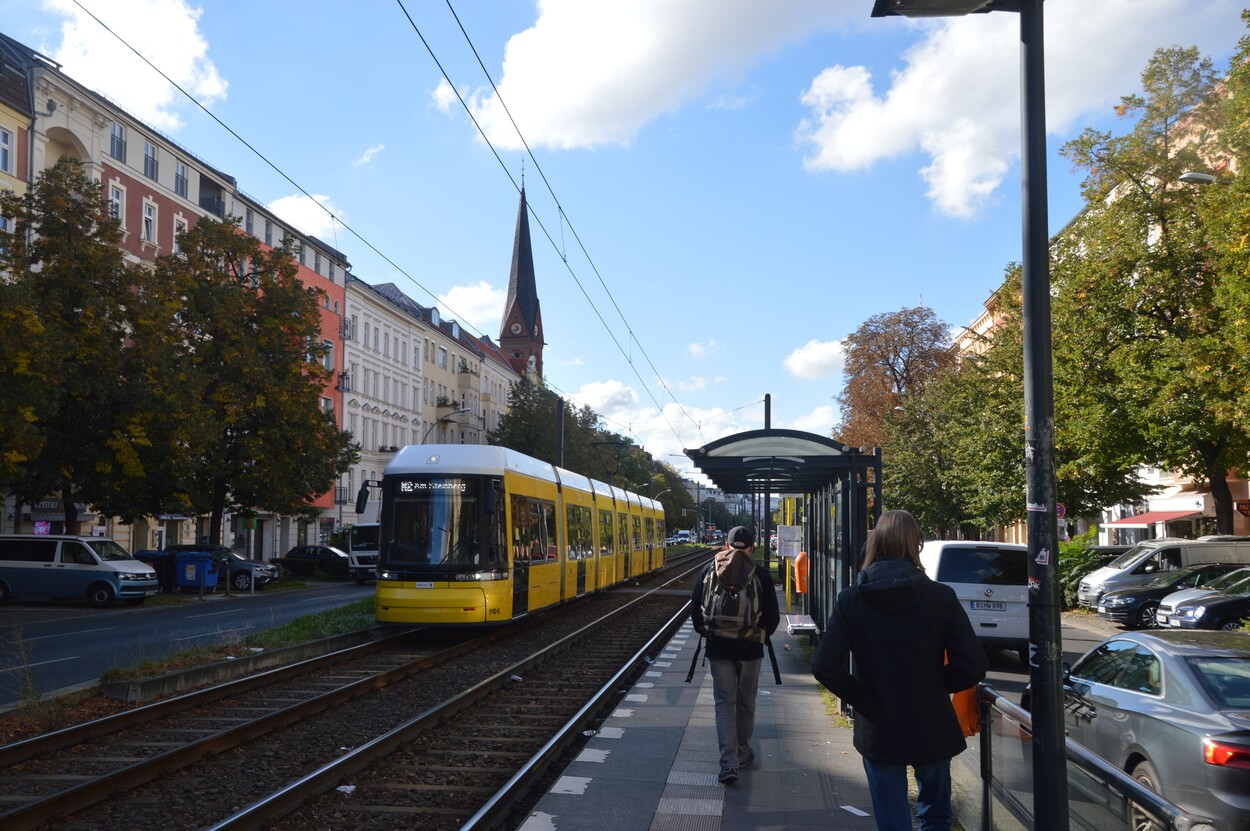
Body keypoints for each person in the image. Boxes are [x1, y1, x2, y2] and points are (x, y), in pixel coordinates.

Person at [810, 510, 988, 831]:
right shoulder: (940, 597)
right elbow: (973, 662)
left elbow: (823, 665)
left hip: (878, 726)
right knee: (936, 817)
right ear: (915, 544)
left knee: (892, 820)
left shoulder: (852, 600)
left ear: (874, 543)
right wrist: (937, 685)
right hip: (931, 723)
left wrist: (860, 695)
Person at [690, 525, 780, 785]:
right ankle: (741, 752)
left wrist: (712, 633)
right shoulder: (760, 574)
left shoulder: (709, 570)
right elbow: (772, 619)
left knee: (723, 704)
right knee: (746, 702)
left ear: (727, 545)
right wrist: (757, 634)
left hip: (719, 649)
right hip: (751, 650)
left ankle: (728, 764)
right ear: (752, 547)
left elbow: (696, 612)